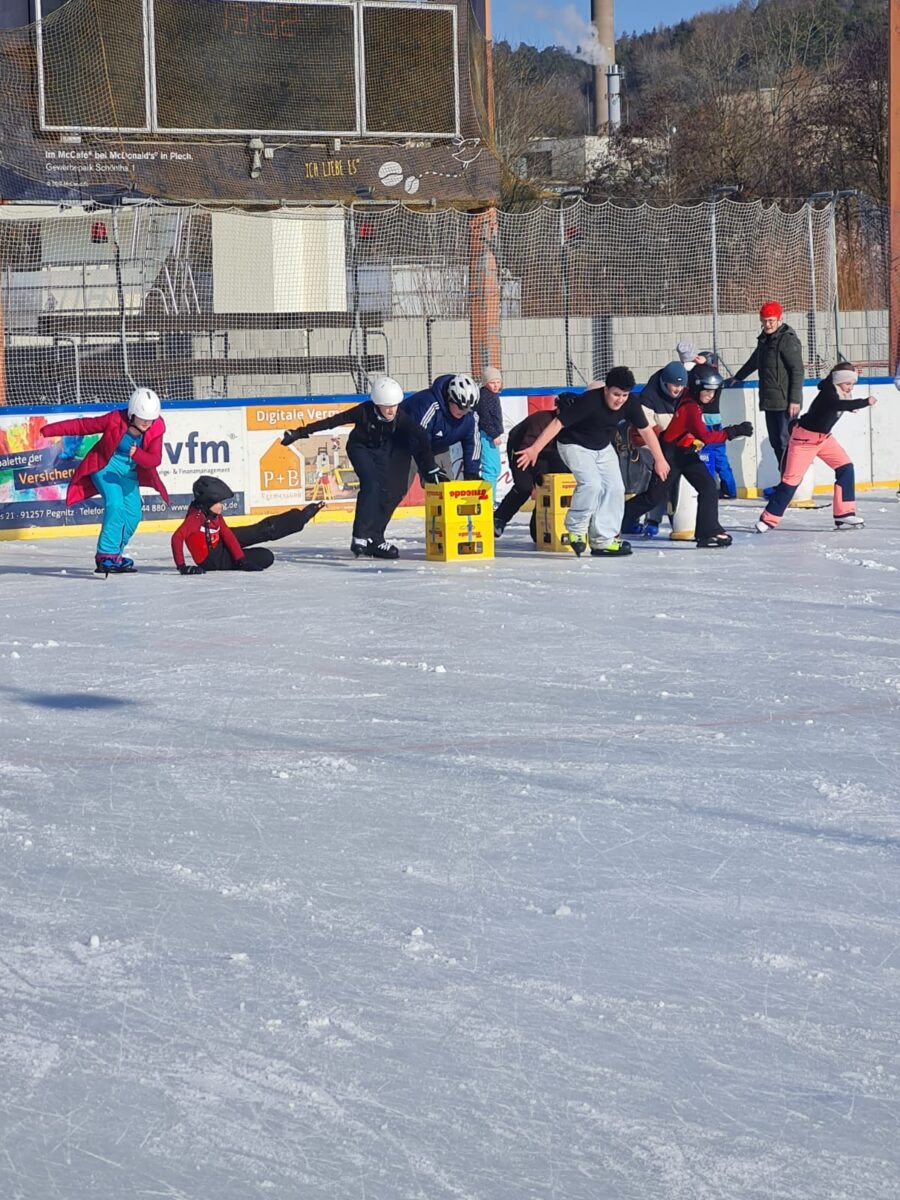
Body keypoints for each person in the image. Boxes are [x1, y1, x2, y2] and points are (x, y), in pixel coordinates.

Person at [282, 377, 442, 559]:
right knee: (371, 485)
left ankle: (376, 538)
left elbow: (421, 436)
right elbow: (331, 422)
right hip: (360, 448)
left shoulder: (401, 417)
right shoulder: (363, 411)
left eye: (395, 405)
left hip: (382, 452)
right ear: (377, 404)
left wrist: (430, 466)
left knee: (392, 492)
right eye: (386, 405)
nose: (391, 410)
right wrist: (298, 433)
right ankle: (360, 536)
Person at [515, 367, 669, 557]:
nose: (620, 400)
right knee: (591, 484)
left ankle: (603, 540)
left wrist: (660, 460)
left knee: (615, 488)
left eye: (624, 395)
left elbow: (646, 431)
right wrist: (535, 449)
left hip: (603, 447)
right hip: (574, 445)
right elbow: (557, 424)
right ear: (606, 389)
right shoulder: (589, 402)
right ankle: (577, 529)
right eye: (616, 394)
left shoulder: (630, 403)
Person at [40, 387, 168, 574]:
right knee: (115, 504)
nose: (147, 423)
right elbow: (83, 426)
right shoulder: (115, 419)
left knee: (133, 516)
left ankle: (115, 555)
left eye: (151, 419)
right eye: (143, 419)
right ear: (132, 414)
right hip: (105, 468)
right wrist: (50, 430)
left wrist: (138, 454)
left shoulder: (156, 427)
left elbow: (155, 459)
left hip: (128, 474)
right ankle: (105, 556)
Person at [626, 365, 752, 548]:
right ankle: (616, 517)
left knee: (708, 487)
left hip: (686, 452)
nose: (711, 396)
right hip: (670, 455)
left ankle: (708, 532)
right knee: (653, 498)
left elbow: (689, 376)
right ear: (697, 388)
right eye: (707, 392)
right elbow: (707, 437)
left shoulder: (689, 394)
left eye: (714, 393)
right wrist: (733, 431)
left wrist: (702, 364)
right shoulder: (691, 407)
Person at [755, 363, 876, 533]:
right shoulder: (829, 393)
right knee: (791, 481)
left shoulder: (839, 392)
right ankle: (768, 519)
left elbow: (838, 407)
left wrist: (852, 405)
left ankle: (844, 512)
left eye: (852, 384)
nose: (850, 388)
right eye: (847, 384)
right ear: (838, 380)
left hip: (824, 439)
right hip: (804, 440)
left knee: (846, 468)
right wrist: (864, 402)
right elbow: (836, 405)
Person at [171, 476, 324, 573]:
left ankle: (301, 517)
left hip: (219, 544)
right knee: (266, 557)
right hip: (213, 560)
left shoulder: (212, 513)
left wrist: (241, 559)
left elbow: (227, 534)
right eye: (219, 502)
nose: (222, 506)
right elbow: (176, 538)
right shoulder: (195, 518)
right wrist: (182, 567)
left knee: (261, 530)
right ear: (207, 502)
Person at [725, 301, 804, 467]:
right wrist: (738, 377)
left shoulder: (787, 340)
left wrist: (794, 399)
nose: (767, 325)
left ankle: (790, 481)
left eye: (771, 321)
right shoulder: (764, 341)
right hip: (770, 401)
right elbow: (754, 361)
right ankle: (783, 480)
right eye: (764, 321)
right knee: (776, 442)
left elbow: (797, 370)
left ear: (779, 319)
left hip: (786, 403)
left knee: (785, 442)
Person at [622, 360, 688, 537]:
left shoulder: (684, 395)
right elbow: (647, 430)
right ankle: (636, 519)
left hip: (669, 445)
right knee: (655, 481)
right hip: (647, 443)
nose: (678, 389)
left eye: (681, 385)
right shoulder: (648, 397)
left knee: (664, 483)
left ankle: (652, 519)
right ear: (665, 382)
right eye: (675, 385)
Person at [493, 406, 567, 539]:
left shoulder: (572, 424)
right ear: (558, 410)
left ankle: (538, 527)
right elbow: (526, 450)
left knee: (552, 484)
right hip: (521, 449)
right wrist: (536, 476)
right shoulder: (541, 420)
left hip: (548, 452)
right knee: (524, 486)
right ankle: (499, 518)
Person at [693, 350, 737, 499]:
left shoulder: (707, 379)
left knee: (703, 457)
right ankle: (730, 489)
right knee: (720, 458)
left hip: (705, 421)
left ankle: (705, 489)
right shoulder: (719, 380)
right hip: (716, 421)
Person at [477, 367, 504, 497]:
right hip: (487, 436)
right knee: (491, 469)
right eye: (493, 382)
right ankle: (488, 499)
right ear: (486, 383)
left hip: (491, 435)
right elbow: (485, 418)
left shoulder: (491, 396)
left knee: (495, 468)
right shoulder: (485, 397)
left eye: (498, 382)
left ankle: (490, 498)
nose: (496, 385)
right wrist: (494, 434)